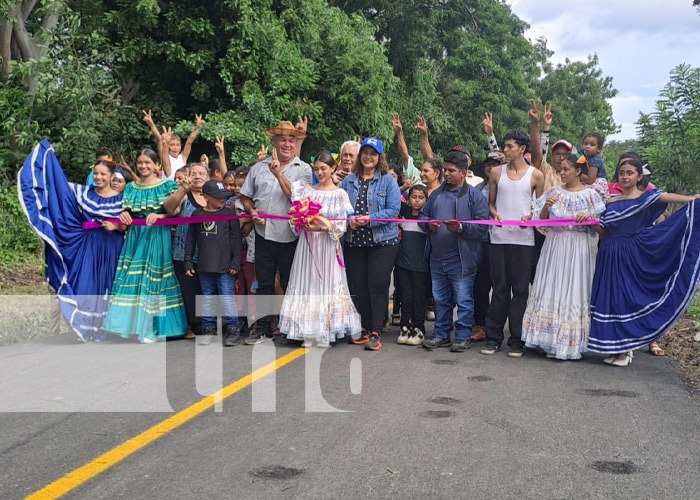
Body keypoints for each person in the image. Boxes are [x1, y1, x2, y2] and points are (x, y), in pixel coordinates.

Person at [587, 158, 700, 366]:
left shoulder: (645, 197)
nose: (625, 176)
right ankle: (616, 348)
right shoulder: (611, 201)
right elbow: (605, 230)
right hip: (609, 252)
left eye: (630, 173)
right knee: (610, 298)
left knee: (624, 298)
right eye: (622, 173)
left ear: (639, 177)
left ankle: (625, 350)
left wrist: (690, 198)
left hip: (630, 253)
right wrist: (590, 222)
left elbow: (666, 196)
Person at [19, 143, 125, 342]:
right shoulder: (84, 192)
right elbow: (60, 185)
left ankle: (108, 327)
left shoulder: (123, 199)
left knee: (110, 286)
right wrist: (48, 158)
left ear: (112, 176)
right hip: (88, 247)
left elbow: (129, 224)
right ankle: (85, 327)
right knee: (87, 284)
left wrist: (117, 227)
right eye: (96, 173)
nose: (99, 177)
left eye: (103, 174)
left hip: (113, 247)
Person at [102, 138, 187, 343]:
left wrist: (161, 218)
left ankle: (152, 328)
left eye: (147, 162)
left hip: (157, 237)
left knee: (154, 280)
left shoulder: (166, 185)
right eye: (140, 162)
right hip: (134, 237)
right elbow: (127, 215)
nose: (143, 166)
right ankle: (128, 327)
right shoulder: (130, 187)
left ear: (156, 164)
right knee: (131, 277)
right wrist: (123, 218)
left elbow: (176, 212)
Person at [521, 153, 605, 359]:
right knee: (552, 284)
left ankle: (568, 343)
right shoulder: (554, 192)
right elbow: (543, 221)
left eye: (567, 169)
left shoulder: (591, 195)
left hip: (577, 246)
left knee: (572, 287)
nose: (563, 172)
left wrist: (588, 219)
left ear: (578, 171)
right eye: (561, 169)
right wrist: (547, 206)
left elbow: (600, 229)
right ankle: (546, 339)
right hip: (554, 244)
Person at [239, 120, 313, 345]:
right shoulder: (258, 168)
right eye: (282, 140)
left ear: (296, 143)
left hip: (291, 235)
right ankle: (263, 328)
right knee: (264, 282)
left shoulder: (304, 169)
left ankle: (292, 328)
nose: (287, 144)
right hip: (263, 233)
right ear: (274, 142)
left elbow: (297, 197)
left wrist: (279, 174)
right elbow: (245, 196)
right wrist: (253, 211)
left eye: (291, 140)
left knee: (292, 283)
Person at [279, 151, 362, 347]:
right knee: (307, 283)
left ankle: (325, 330)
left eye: (323, 168)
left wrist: (320, 227)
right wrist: (300, 222)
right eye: (316, 169)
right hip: (308, 246)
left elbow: (341, 225)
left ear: (333, 168)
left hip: (327, 246)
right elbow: (294, 217)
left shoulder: (340, 194)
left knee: (327, 284)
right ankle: (307, 331)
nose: (319, 172)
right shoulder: (305, 190)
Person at [481, 130, 545, 358]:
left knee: (519, 291)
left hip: (524, 240)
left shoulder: (536, 175)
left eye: (509, 146)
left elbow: (540, 207)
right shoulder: (497, 172)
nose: (505, 150)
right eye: (505, 146)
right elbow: (490, 204)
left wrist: (531, 216)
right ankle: (493, 337)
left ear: (522, 149)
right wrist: (495, 213)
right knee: (499, 289)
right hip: (498, 238)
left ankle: (517, 340)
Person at [420, 149, 489, 352]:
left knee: (463, 299)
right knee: (440, 299)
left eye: (451, 170)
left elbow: (483, 227)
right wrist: (428, 225)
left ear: (463, 172)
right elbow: (423, 217)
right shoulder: (436, 195)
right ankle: (441, 334)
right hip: (436, 257)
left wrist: (461, 227)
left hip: (462, 259)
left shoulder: (475, 197)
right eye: (445, 170)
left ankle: (463, 336)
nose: (447, 174)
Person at [340, 137, 401, 351]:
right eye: (365, 152)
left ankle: (376, 330)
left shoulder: (387, 181)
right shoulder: (348, 181)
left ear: (379, 157)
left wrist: (368, 218)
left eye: (373, 154)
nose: (368, 157)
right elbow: (342, 208)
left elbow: (394, 211)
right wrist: (350, 220)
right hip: (355, 240)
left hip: (382, 241)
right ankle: (364, 327)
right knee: (358, 285)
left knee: (377, 284)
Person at [184, 180, 242, 346]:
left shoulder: (229, 213)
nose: (222, 200)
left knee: (226, 297)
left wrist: (236, 262)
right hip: (204, 264)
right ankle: (208, 328)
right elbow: (191, 238)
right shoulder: (197, 215)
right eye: (218, 197)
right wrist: (188, 261)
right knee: (207, 297)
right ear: (206, 196)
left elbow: (236, 240)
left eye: (224, 196)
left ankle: (233, 328)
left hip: (225, 265)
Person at [164, 162, 210, 339]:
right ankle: (191, 324)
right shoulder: (183, 195)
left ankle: (208, 324)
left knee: (206, 290)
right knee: (188, 291)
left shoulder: (214, 197)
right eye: (193, 173)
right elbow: (169, 208)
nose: (198, 176)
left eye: (201, 173)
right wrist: (183, 189)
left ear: (208, 177)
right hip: (182, 252)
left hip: (208, 253)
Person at [472, 152, 504, 342]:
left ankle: (496, 327)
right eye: (488, 163)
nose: (490, 167)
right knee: (480, 287)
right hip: (482, 242)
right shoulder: (477, 188)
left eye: (495, 164)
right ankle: (480, 325)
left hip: (502, 240)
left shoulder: (508, 187)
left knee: (501, 287)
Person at [396, 184, 430, 346]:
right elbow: (393, 195)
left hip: (421, 265)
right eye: (414, 197)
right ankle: (405, 326)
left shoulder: (428, 216)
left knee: (419, 297)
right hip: (403, 263)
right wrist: (403, 186)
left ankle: (419, 328)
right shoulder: (405, 212)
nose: (417, 201)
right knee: (405, 295)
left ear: (427, 200)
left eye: (421, 198)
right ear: (408, 199)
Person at [142, 110, 205, 179]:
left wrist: (197, 128)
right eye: (172, 145)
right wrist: (151, 124)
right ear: (167, 146)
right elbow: (159, 139)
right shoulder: (165, 155)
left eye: (178, 145)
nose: (175, 147)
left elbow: (189, 142)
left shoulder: (183, 157)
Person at [578, 132, 609, 200]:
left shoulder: (595, 159)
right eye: (586, 144)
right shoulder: (583, 153)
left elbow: (590, 180)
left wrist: (577, 174)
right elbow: (576, 155)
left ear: (599, 149)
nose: (588, 146)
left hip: (596, 183)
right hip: (587, 180)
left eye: (592, 145)